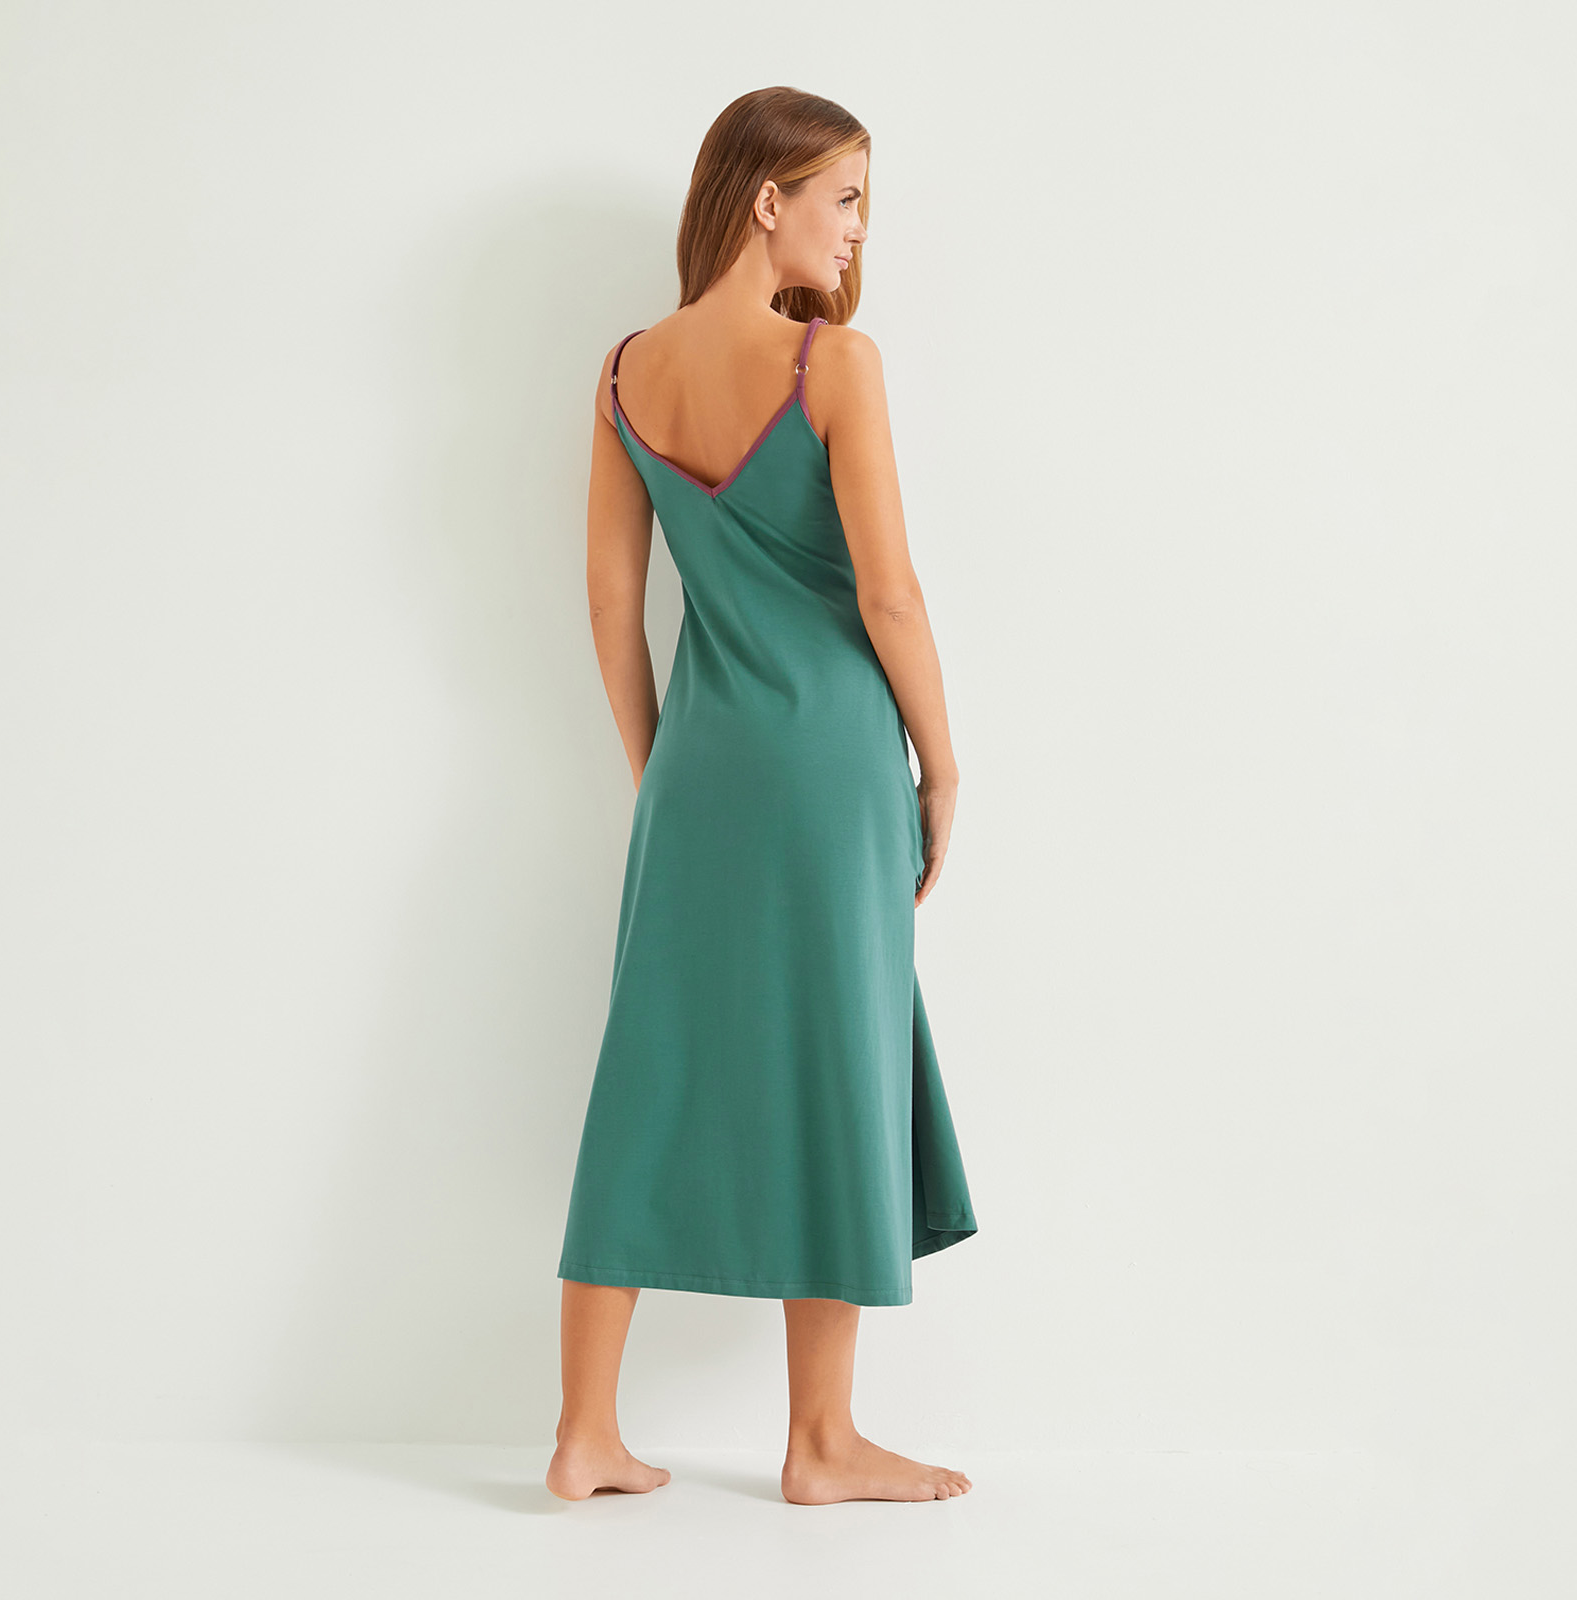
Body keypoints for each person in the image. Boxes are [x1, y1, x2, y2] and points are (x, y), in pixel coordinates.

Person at [548, 87, 978, 1506]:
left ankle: (584, 1432)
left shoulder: (624, 375)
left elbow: (611, 604)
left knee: (649, 1068)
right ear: (766, 199)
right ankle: (822, 1441)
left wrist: (661, 770)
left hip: (703, 768)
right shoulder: (833, 365)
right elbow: (891, 598)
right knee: (839, 1060)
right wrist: (944, 763)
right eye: (843, 198)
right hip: (835, 766)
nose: (856, 232)